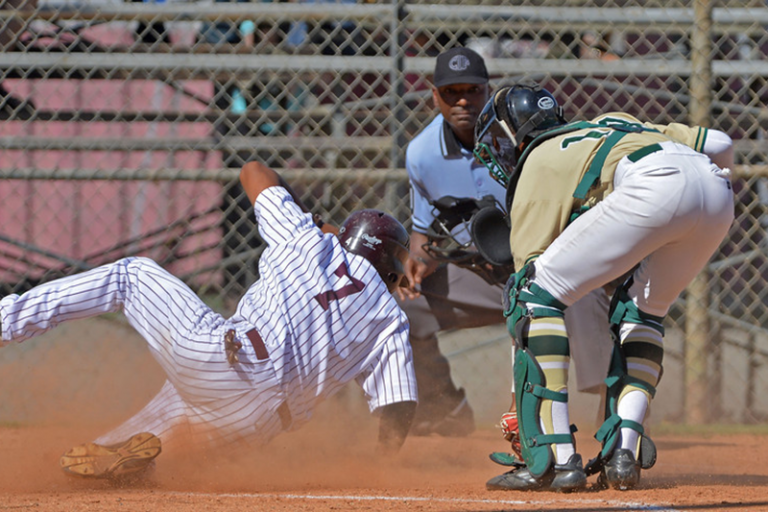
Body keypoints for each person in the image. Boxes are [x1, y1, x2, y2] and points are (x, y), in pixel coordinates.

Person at [0, 161, 418, 479]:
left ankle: (5, 322)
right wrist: (380, 467)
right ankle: (136, 465)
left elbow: (253, 171)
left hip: (226, 363)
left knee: (131, 276)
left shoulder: (309, 242)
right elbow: (398, 406)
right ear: (390, 267)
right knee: (123, 452)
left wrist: (320, 227)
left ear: (346, 237)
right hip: (256, 424)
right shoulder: (391, 319)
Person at [473, 82, 734, 492]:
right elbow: (719, 143)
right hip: (717, 190)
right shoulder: (617, 123)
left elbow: (529, 298)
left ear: (514, 135)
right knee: (642, 311)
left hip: (653, 186)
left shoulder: (538, 159)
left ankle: (556, 458)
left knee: (532, 297)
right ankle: (622, 452)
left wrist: (514, 401)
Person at [400, 47, 614, 440]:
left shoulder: (518, 134)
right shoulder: (422, 154)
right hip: (481, 274)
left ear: (487, 90)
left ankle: (613, 421)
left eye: (472, 90)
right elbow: (421, 234)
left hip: (547, 268)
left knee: (589, 298)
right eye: (451, 92)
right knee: (401, 310)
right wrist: (416, 261)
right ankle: (446, 409)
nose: (463, 100)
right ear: (434, 96)